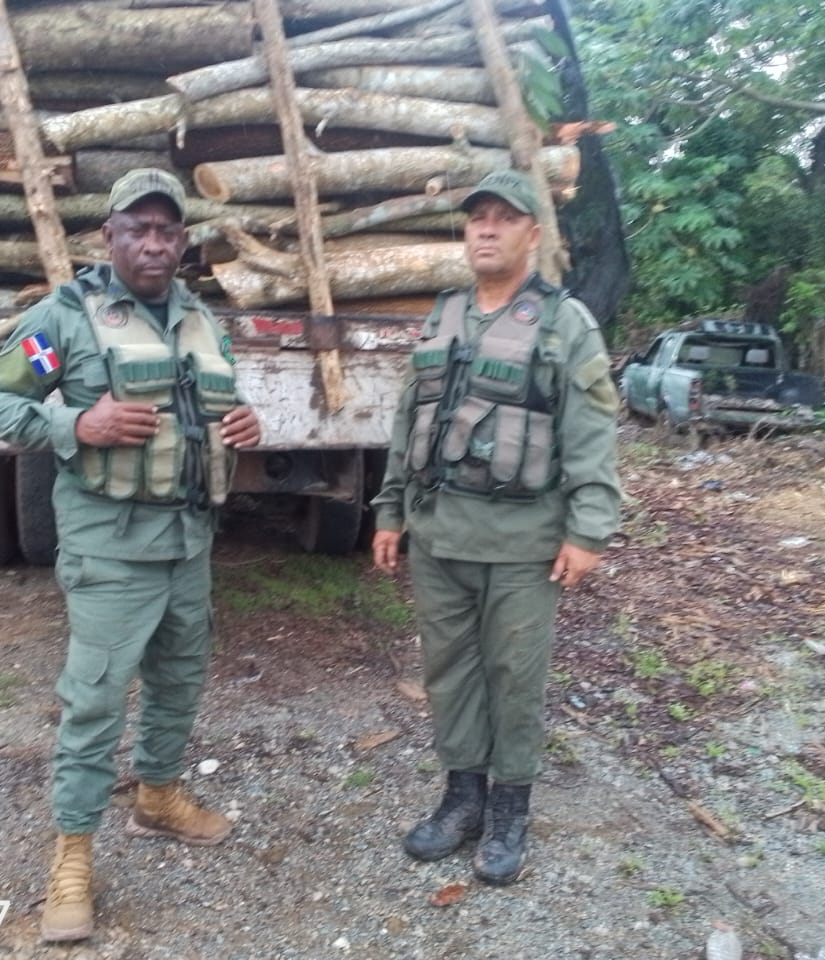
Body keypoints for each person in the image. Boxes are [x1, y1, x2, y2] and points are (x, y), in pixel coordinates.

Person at [0, 168, 261, 941]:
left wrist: (245, 427)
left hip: (189, 539)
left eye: (169, 231)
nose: (155, 244)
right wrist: (76, 427)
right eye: (139, 229)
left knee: (178, 679)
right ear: (111, 236)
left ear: (184, 241)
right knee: (96, 698)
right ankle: (71, 856)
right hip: (110, 546)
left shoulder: (202, 317)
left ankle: (159, 798)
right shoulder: (62, 320)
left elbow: (215, 414)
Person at [370, 169, 621, 885]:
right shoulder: (444, 314)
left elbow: (592, 431)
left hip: (522, 545)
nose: (486, 228)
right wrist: (390, 511)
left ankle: (510, 809)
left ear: (533, 234)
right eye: (477, 217)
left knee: (514, 677)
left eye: (504, 218)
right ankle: (462, 799)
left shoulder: (565, 323)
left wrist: (590, 530)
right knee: (449, 675)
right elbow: (405, 423)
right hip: (439, 537)